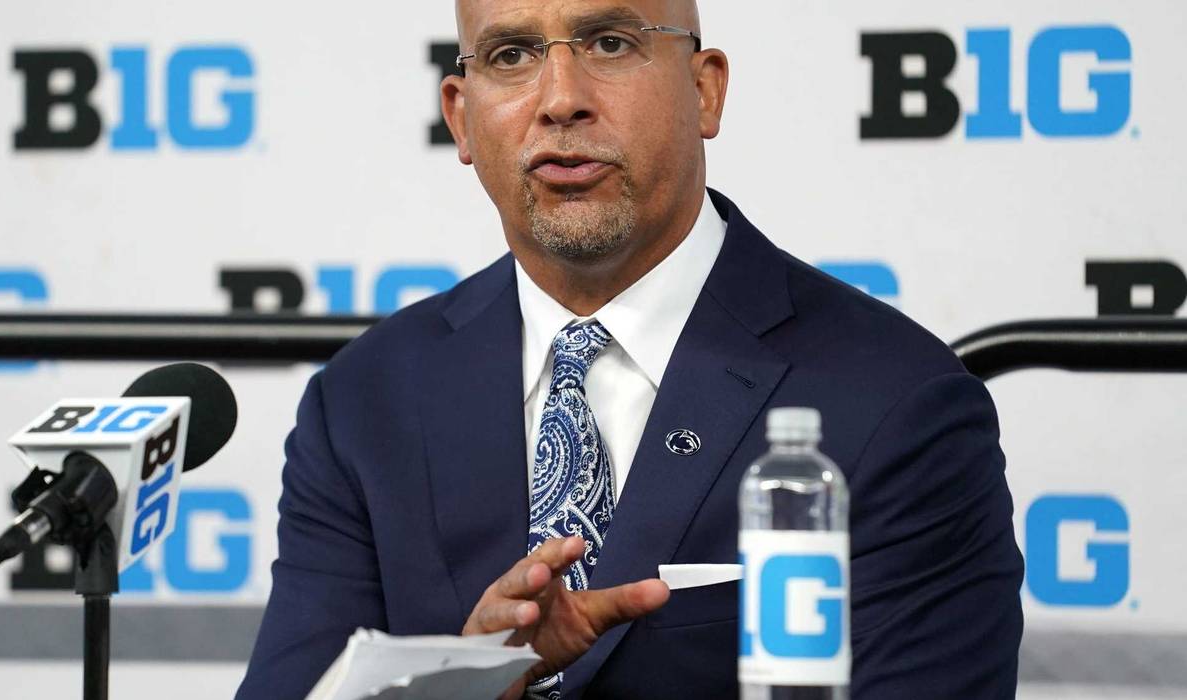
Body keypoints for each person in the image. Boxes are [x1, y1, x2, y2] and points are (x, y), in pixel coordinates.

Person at [236, 1, 1024, 697]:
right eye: (510, 55)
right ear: (461, 116)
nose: (560, 99)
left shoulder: (894, 402)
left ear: (704, 89)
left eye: (610, 43)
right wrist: (458, 691)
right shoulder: (365, 399)